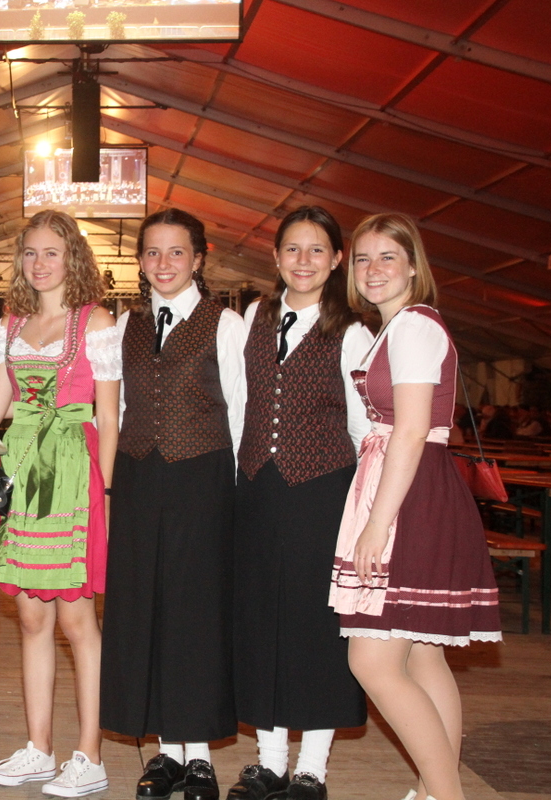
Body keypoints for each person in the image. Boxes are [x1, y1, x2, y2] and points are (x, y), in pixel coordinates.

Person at [329, 213, 501, 800]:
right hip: (413, 487)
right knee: (425, 657)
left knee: (372, 662)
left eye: (388, 257)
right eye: (363, 259)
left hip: (409, 495)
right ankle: (433, 791)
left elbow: (409, 429)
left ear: (412, 266)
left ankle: (446, 795)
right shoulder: (397, 326)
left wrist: (377, 524)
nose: (373, 270)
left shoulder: (413, 327)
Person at [99, 208, 247, 800]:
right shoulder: (124, 326)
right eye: (153, 252)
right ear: (139, 261)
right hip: (139, 476)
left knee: (196, 613)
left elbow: (240, 410)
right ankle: (166, 752)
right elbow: (112, 410)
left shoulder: (225, 324)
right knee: (145, 610)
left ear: (199, 259)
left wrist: (235, 495)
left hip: (202, 477)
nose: (164, 263)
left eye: (177, 252)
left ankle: (199, 756)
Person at [229, 207, 373, 800]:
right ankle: (268, 762)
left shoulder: (354, 332)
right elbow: (241, 404)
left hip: (322, 492)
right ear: (276, 256)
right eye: (292, 248)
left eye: (317, 250)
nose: (304, 260)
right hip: (257, 489)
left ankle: (312, 767)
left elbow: (365, 428)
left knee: (316, 627)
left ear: (337, 259)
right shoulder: (253, 316)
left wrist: (362, 508)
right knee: (258, 619)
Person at [0, 210, 120, 798]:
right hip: (22, 472)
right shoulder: (10, 325)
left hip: (73, 473)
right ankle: (39, 748)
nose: (39, 264)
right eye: (30, 253)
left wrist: (105, 490)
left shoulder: (95, 321)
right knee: (33, 618)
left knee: (78, 620)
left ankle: (90, 754)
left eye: (51, 253)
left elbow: (108, 415)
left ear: (73, 258)